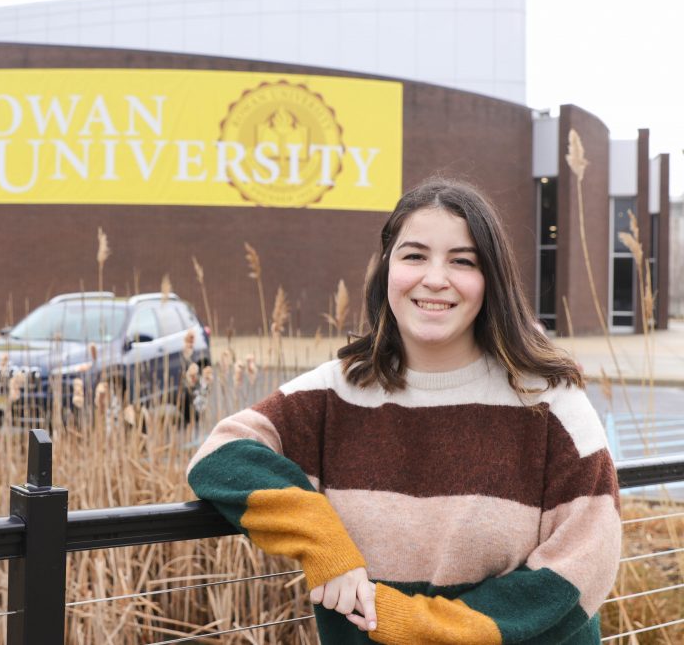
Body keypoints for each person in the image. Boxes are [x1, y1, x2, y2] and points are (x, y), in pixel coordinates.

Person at [187, 178, 621, 644]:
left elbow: (583, 563)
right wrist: (324, 544)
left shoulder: (547, 400)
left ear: (491, 279)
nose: (435, 278)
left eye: (462, 261)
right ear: (387, 269)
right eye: (414, 256)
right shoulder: (337, 391)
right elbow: (220, 456)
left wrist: (419, 626)